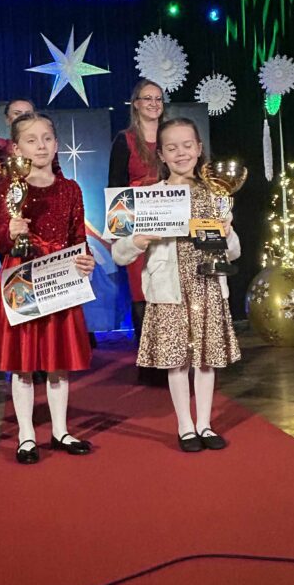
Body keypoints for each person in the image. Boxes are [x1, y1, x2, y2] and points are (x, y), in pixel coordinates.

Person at [112, 118, 241, 452]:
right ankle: (185, 426)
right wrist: (138, 240)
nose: (181, 153)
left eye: (187, 145)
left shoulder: (215, 194)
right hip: (169, 289)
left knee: (206, 359)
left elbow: (234, 251)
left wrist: (227, 234)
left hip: (207, 285)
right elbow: (119, 253)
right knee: (177, 359)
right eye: (172, 148)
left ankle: (205, 424)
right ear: (161, 155)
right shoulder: (148, 198)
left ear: (199, 149)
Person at [0, 113, 95, 464]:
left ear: (57, 143)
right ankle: (26, 435)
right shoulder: (8, 189)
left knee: (57, 361)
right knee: (22, 363)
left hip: (59, 280)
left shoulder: (70, 189)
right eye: (31, 140)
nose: (41, 146)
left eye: (47, 138)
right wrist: (11, 232)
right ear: (17, 148)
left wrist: (86, 261)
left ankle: (60, 430)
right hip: (22, 277)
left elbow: (78, 238)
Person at [108, 79, 164, 342]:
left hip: (169, 221)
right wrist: (120, 233)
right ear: (136, 104)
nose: (154, 103)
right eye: (148, 98)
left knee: (168, 283)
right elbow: (115, 188)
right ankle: (146, 351)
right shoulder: (125, 140)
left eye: (158, 99)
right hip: (138, 224)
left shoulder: (171, 136)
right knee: (140, 287)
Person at [0, 98, 35, 200]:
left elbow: (56, 180)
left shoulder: (44, 146)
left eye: (28, 114)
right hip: (7, 205)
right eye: (17, 113)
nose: (23, 117)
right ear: (7, 119)